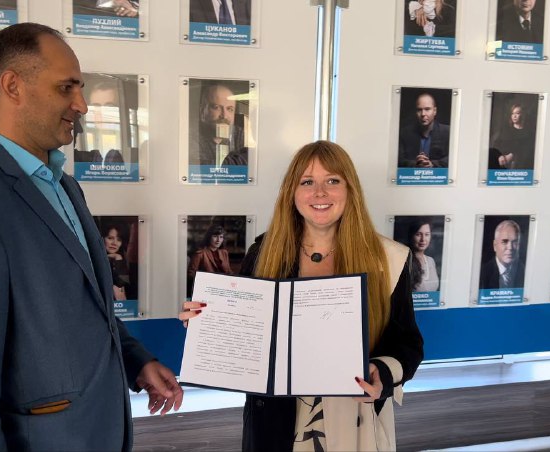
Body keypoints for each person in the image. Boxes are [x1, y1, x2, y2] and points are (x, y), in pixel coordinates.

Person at [0, 23, 182, 451]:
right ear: (13, 86)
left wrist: (136, 360)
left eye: (80, 88)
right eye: (66, 88)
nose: (82, 105)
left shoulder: (64, 186)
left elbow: (84, 307)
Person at [181, 141, 424, 451]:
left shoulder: (390, 259)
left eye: (332, 181)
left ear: (350, 189)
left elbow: (408, 344)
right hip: (274, 429)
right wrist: (207, 323)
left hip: (354, 423)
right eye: (307, 182)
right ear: (292, 193)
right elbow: (250, 337)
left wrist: (383, 373)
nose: (319, 193)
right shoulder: (263, 253)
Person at [189, 83, 247, 167]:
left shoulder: (239, 134)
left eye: (229, 109)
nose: (224, 116)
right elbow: (202, 167)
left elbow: (252, 161)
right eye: (216, 107)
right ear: (202, 111)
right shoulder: (190, 136)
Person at [398, 92, 450, 168]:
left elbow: (453, 157)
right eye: (419, 110)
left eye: (427, 109)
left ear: (434, 111)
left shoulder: (448, 132)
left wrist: (432, 164)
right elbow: (398, 159)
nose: (423, 114)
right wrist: (415, 164)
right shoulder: (404, 133)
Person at [186, 224, 234, 296]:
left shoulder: (224, 253)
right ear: (209, 238)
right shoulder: (200, 253)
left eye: (221, 237)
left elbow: (228, 271)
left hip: (223, 289)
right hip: (207, 290)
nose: (218, 240)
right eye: (215, 236)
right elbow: (191, 274)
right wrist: (207, 281)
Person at [479, 219, 526, 289]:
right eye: (504, 242)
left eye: (515, 242)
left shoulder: (525, 271)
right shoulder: (482, 273)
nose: (510, 247)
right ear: (495, 245)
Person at [488, 103, 535, 170]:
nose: (514, 116)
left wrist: (512, 155)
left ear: (523, 115)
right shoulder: (505, 130)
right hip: (501, 165)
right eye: (512, 113)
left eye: (517, 113)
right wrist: (500, 156)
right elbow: (496, 146)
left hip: (520, 168)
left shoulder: (529, 133)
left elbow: (527, 151)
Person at [407, 218, 439, 292]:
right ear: (411, 236)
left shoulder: (431, 261)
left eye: (427, 234)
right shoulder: (405, 260)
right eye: (418, 234)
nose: (423, 239)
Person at [102, 223, 132, 301]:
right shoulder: (93, 261)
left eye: (119, 240)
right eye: (110, 238)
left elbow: (121, 283)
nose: (114, 243)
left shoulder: (121, 259)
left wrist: (118, 258)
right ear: (102, 239)